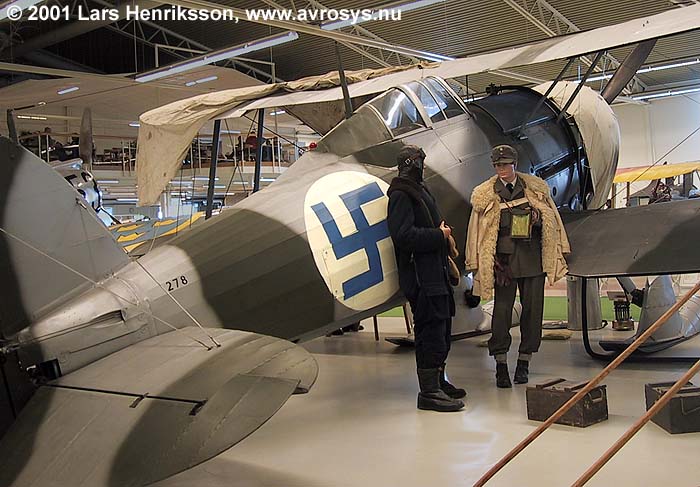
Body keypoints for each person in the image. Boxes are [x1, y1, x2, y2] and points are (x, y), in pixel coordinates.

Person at [466, 144, 570, 388]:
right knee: (501, 314)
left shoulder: (535, 189)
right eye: (498, 165)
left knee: (533, 312)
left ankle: (524, 361)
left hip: (532, 258)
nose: (502, 169)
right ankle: (500, 364)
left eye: (506, 164)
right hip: (504, 262)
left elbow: (552, 220)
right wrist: (477, 261)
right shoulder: (486, 194)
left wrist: (536, 219)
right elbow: (476, 232)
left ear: (515, 164)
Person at [387, 145, 465, 412]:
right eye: (420, 161)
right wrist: (438, 236)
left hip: (436, 273)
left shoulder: (419, 191)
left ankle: (439, 381)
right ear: (413, 163)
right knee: (430, 332)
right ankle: (429, 392)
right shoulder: (401, 195)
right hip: (422, 277)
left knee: (441, 330)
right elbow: (403, 236)